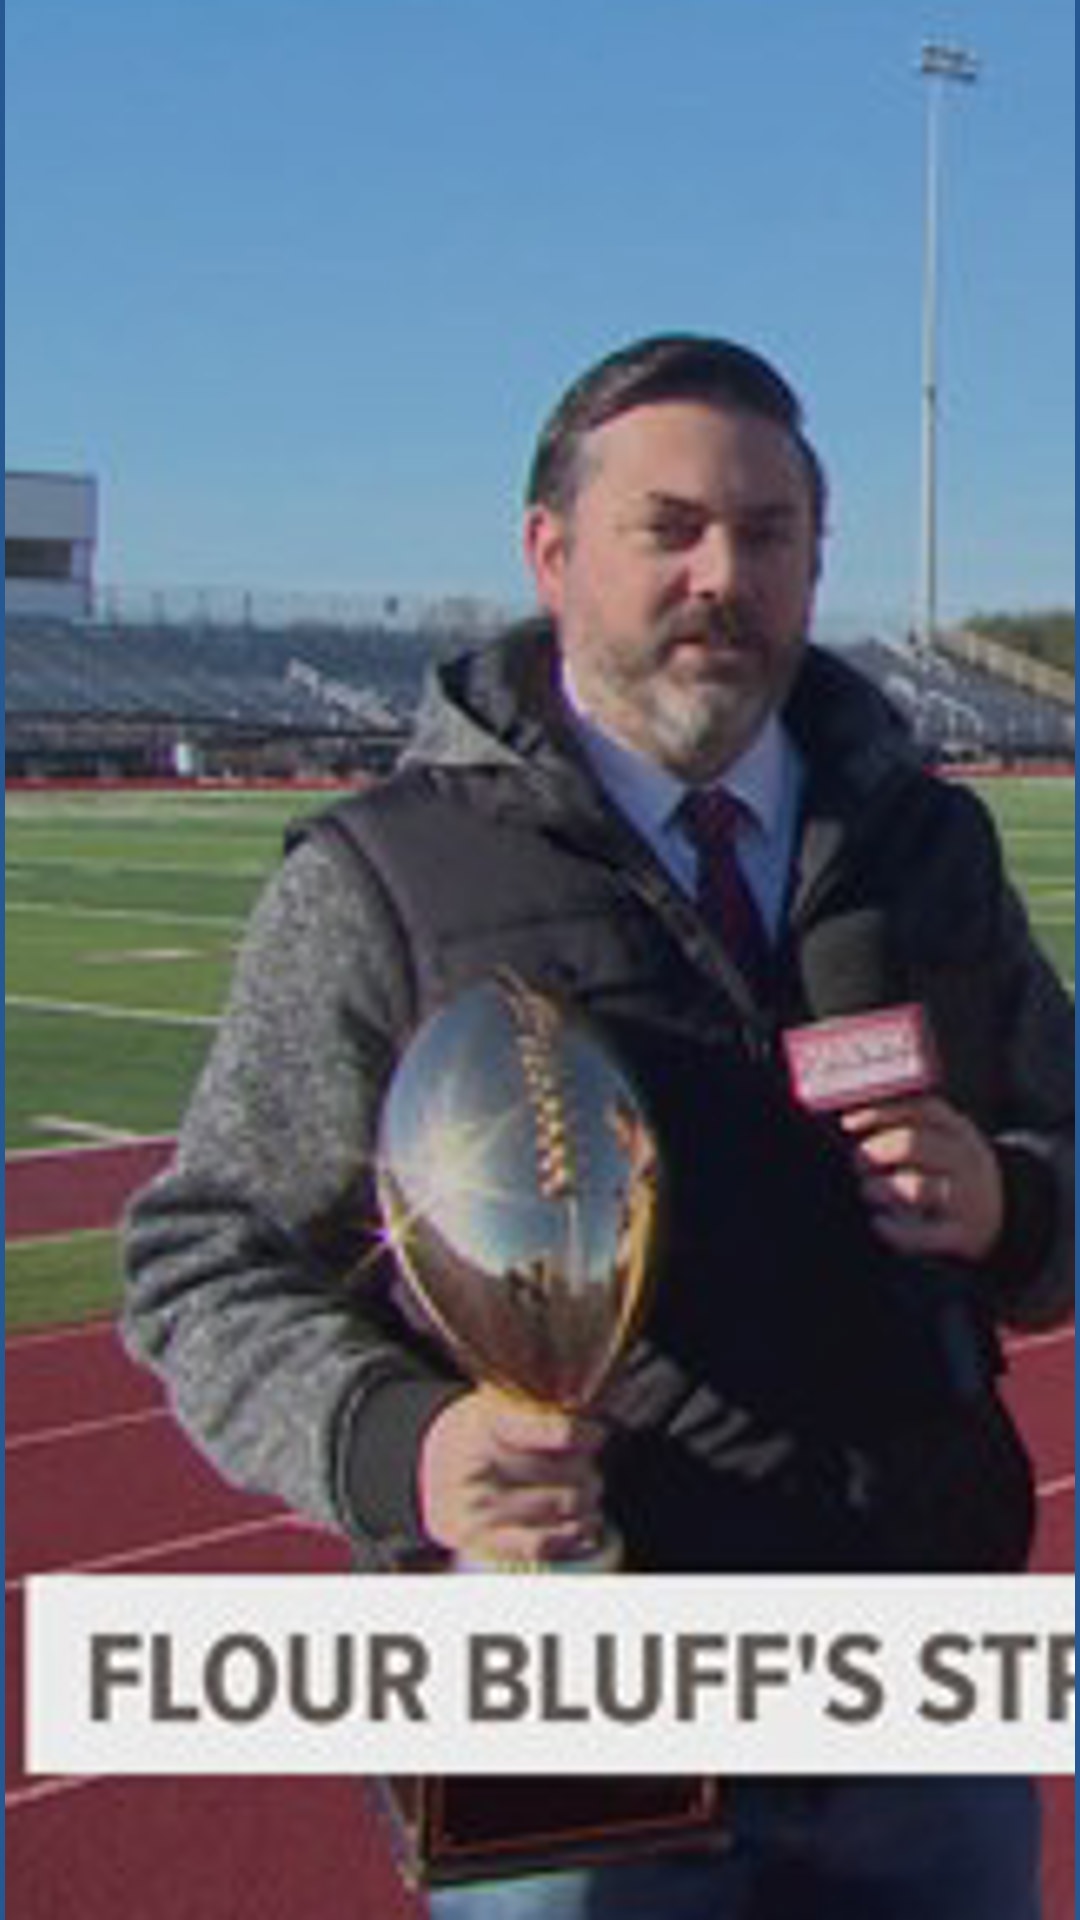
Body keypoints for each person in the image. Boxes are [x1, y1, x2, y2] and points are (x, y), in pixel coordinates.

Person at [123, 334, 1074, 1918]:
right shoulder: (386, 879)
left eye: (769, 537)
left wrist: (1016, 1203)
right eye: (673, 528)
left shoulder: (923, 845)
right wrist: (403, 1447)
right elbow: (200, 1257)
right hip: (563, 1673)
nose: (725, 574)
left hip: (907, 1653)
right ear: (552, 555)